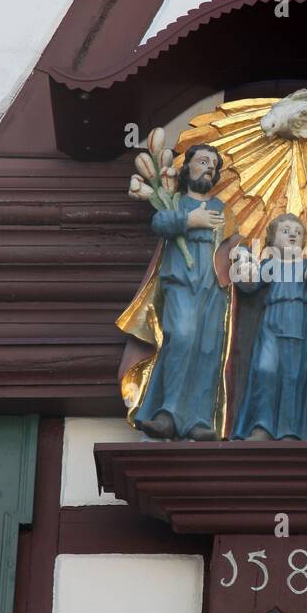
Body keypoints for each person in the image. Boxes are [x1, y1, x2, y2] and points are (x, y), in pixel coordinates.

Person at [116, 143, 239, 440]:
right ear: (187, 169)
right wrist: (189, 220)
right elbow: (160, 223)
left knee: (209, 348)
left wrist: (241, 253)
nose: (208, 167)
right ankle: (168, 412)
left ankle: (198, 418)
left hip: (214, 286)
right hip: (181, 281)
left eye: (213, 164)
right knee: (182, 337)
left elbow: (234, 241)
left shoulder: (222, 208)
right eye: (202, 161)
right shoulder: (174, 202)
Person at [231, 213, 307, 442]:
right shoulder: (270, 264)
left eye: (298, 232)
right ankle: (262, 426)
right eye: (285, 231)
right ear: (271, 240)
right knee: (265, 370)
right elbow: (249, 285)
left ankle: (290, 429)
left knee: (295, 374)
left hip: (302, 321)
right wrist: (243, 258)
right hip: (272, 321)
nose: (293, 235)